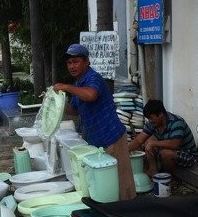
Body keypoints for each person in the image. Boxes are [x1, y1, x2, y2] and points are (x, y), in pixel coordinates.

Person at [53, 43, 136, 200]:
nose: (71, 66)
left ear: (86, 62)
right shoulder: (79, 84)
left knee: (122, 183)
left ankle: (129, 213)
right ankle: (113, 213)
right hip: (98, 142)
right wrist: (55, 102)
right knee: (107, 184)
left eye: (76, 61)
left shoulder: (93, 78)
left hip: (112, 138)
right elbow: (74, 109)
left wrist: (65, 86)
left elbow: (91, 95)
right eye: (69, 63)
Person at [128, 99, 198, 177]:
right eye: (148, 118)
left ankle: (168, 177)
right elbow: (139, 140)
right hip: (169, 151)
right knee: (148, 140)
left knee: (165, 153)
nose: (150, 121)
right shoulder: (152, 123)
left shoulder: (176, 122)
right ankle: (153, 170)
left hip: (187, 155)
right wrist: (125, 151)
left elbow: (175, 144)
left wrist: (153, 144)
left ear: (161, 114)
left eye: (151, 118)